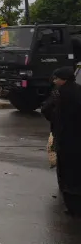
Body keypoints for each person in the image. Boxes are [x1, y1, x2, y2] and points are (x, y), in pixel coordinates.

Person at [42, 66, 81, 216]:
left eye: (57, 78)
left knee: (66, 173)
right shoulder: (79, 90)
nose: (55, 81)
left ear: (63, 80)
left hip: (65, 138)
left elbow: (46, 109)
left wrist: (55, 121)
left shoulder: (59, 93)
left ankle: (73, 208)